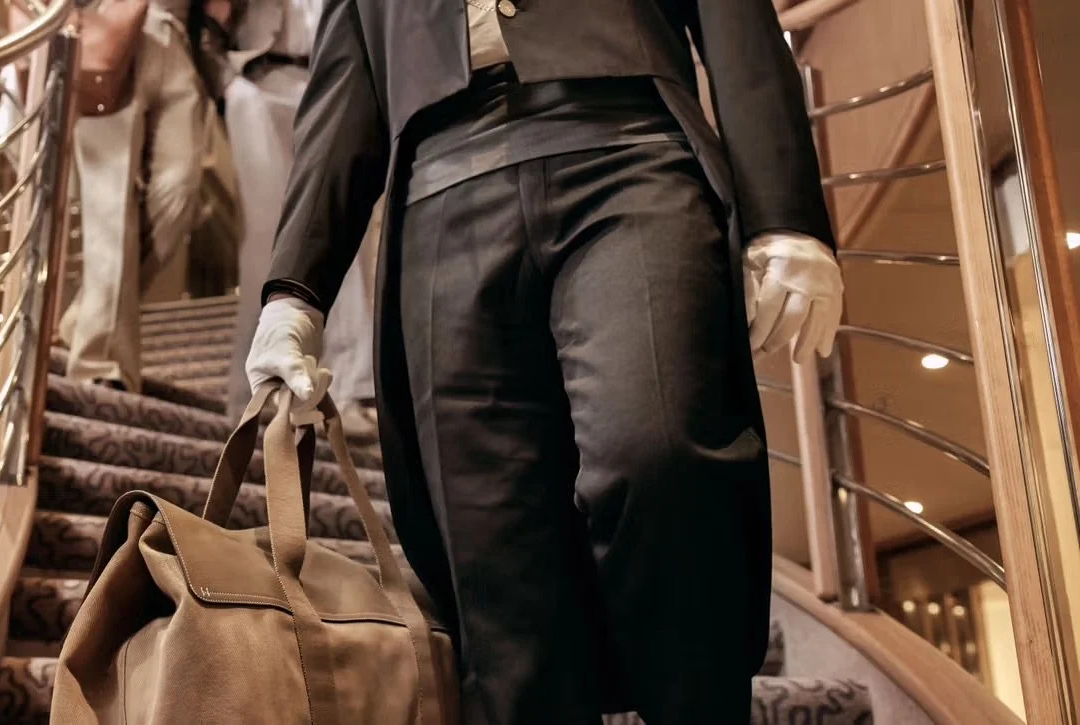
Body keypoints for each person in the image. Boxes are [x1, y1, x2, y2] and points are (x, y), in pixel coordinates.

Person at [242, 0, 845, 723]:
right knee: (492, 556)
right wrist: (293, 292)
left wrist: (784, 214)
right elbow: (345, 85)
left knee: (658, 452)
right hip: (438, 188)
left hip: (626, 144)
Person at [218, 0, 379, 429]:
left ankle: (352, 388)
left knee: (348, 226)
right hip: (256, 76)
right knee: (267, 237)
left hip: (340, 75)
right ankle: (255, 394)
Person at [57, 0, 226, 392]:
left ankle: (82, 317)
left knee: (179, 195)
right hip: (115, 34)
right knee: (109, 202)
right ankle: (101, 364)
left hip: (182, 45)